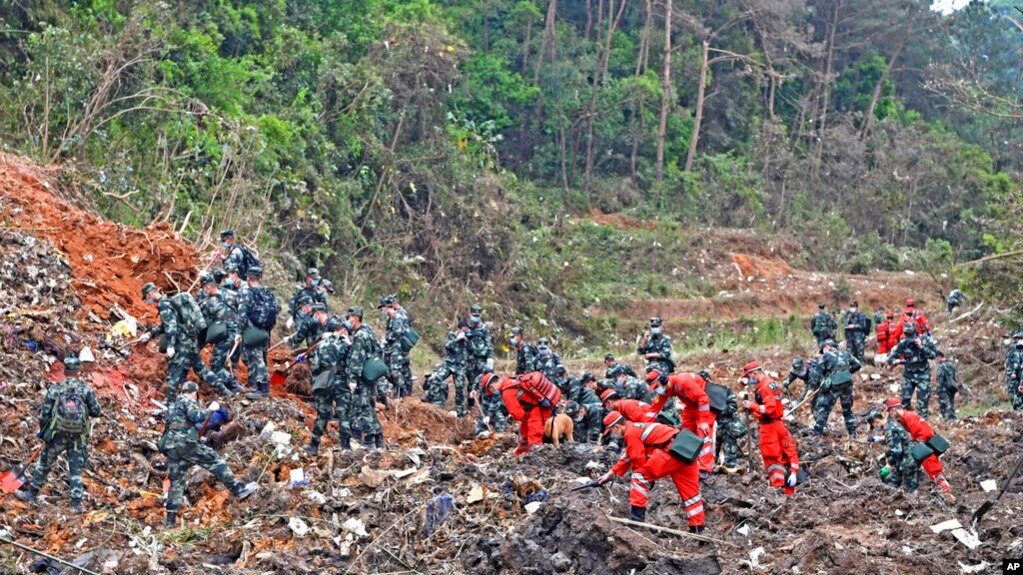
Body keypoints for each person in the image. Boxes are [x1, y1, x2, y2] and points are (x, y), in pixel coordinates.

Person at [159, 382, 258, 527]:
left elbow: (169, 426)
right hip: (186, 444)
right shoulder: (187, 401)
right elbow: (196, 416)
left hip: (172, 447)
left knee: (177, 482)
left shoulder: (172, 406)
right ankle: (238, 489)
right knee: (215, 461)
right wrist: (210, 409)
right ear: (194, 392)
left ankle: (170, 520)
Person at [15, 357, 102, 513]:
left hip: (57, 436)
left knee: (44, 464)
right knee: (75, 470)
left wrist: (45, 433)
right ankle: (76, 505)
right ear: (78, 371)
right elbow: (97, 411)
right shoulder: (85, 389)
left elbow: (44, 414)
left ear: (64, 370)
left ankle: (31, 494)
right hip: (78, 438)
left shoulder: (55, 389)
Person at [596, 413, 705, 534]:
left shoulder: (630, 433)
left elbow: (637, 458)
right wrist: (609, 474)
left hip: (670, 452)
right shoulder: (637, 428)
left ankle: (636, 521)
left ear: (617, 427)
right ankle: (698, 528)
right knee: (691, 494)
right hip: (685, 451)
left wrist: (647, 479)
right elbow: (628, 455)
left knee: (638, 478)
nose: (613, 434)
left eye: (611, 431)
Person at [140, 283, 227, 401]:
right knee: (201, 369)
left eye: (146, 297)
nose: (147, 300)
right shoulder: (169, 301)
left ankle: (169, 403)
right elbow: (165, 325)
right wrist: (150, 334)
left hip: (181, 343)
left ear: (150, 293)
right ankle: (224, 389)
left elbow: (171, 326)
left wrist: (170, 345)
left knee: (174, 371)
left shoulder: (164, 305)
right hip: (190, 341)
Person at [741, 362, 800, 496]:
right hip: (776, 424)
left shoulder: (765, 387)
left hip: (770, 428)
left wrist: (752, 406)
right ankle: (787, 490)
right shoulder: (768, 384)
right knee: (785, 452)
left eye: (749, 376)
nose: (749, 379)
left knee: (772, 457)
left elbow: (769, 409)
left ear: (754, 373)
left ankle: (777, 488)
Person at [645, 368, 714, 477]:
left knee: (703, 433)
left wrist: (704, 420)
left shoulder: (683, 381)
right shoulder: (665, 390)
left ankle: (705, 468)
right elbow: (654, 409)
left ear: (663, 380)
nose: (657, 390)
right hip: (690, 406)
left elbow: (703, 398)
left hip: (704, 405)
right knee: (686, 433)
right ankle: (688, 461)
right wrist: (644, 427)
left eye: (657, 387)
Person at [884, 399, 954, 502]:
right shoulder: (905, 418)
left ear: (894, 410)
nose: (891, 415)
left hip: (926, 448)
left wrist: (913, 445)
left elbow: (924, 434)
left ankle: (948, 496)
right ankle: (944, 493)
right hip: (925, 447)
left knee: (934, 471)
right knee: (932, 472)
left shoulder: (909, 418)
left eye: (890, 411)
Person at [302, 324, 351, 454]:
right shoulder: (345, 345)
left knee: (323, 414)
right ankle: (346, 446)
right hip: (341, 381)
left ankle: (314, 445)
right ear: (343, 330)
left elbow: (316, 365)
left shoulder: (322, 344)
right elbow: (351, 363)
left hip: (325, 381)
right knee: (343, 414)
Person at [345, 306, 385, 448]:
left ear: (355, 318)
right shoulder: (368, 332)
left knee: (362, 408)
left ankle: (368, 441)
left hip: (362, 378)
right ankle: (379, 440)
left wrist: (352, 379)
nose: (347, 321)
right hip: (370, 377)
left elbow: (357, 359)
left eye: (349, 317)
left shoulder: (360, 336)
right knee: (369, 407)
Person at [237, 266, 280, 399]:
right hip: (266, 331)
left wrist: (238, 332)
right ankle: (256, 386)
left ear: (248, 278)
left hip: (253, 331)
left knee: (257, 359)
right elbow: (278, 308)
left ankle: (263, 390)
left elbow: (242, 313)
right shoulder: (268, 293)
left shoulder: (247, 293)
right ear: (260, 278)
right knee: (262, 357)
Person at [198, 275, 245, 394]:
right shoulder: (231, 294)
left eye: (204, 288)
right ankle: (231, 384)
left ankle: (234, 386)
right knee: (231, 362)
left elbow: (201, 322)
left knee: (216, 365)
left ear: (208, 287)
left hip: (226, 336)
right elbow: (243, 308)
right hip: (239, 334)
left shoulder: (207, 304)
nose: (204, 291)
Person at [887, 322, 939, 419]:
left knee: (922, 404)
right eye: (907, 335)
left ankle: (922, 426)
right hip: (909, 375)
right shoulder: (903, 343)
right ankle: (909, 422)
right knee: (904, 402)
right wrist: (897, 361)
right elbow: (890, 358)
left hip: (923, 375)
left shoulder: (925, 340)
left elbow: (933, 355)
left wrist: (921, 347)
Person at [812, 339, 862, 437]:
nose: (823, 352)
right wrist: (846, 373)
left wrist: (813, 387)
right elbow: (858, 364)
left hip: (834, 386)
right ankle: (853, 434)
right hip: (847, 384)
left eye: (823, 349)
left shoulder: (826, 356)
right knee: (847, 410)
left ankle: (817, 434)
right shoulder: (846, 354)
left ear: (826, 346)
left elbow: (817, 372)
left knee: (824, 408)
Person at [501, 374, 557, 456]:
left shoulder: (507, 392)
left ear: (492, 387)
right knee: (525, 432)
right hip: (539, 406)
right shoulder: (513, 380)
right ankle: (520, 454)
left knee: (534, 438)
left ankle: (537, 460)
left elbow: (518, 415)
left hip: (538, 410)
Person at [425, 322, 471, 416]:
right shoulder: (452, 335)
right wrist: (457, 339)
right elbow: (447, 346)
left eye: (467, 329)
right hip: (449, 363)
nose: (466, 331)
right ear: (459, 328)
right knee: (437, 378)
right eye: (464, 329)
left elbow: (472, 350)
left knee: (460, 389)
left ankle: (460, 411)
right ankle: (429, 396)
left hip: (460, 366)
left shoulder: (468, 337)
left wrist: (467, 340)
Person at [866, 410, 918, 492]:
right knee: (890, 481)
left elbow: (897, 452)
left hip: (908, 460)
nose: (876, 428)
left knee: (911, 488)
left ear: (876, 421)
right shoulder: (892, 424)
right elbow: (898, 445)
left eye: (874, 425)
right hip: (903, 459)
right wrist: (886, 454)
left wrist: (889, 465)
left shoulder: (889, 429)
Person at [380, 295, 414, 399]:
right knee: (387, 371)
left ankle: (402, 393)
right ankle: (395, 391)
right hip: (390, 348)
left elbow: (397, 332)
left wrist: (387, 338)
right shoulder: (391, 318)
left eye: (383, 308)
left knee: (395, 371)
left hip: (397, 349)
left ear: (387, 307)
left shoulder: (398, 317)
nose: (382, 311)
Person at [713, 381, 744, 472]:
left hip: (727, 427)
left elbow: (733, 406)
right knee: (712, 451)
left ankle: (730, 467)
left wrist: (718, 411)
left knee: (730, 451)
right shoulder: (703, 392)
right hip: (713, 427)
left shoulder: (725, 390)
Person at [471, 367, 509, 435]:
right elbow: (475, 385)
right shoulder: (483, 379)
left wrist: (488, 416)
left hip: (498, 408)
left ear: (492, 386)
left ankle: (501, 435)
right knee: (480, 423)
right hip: (485, 405)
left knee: (500, 422)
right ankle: (481, 435)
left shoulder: (497, 389)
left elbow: (494, 404)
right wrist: (474, 390)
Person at [466, 304, 494, 392]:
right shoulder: (467, 328)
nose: (475, 317)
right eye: (474, 315)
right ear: (470, 314)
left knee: (482, 380)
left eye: (477, 315)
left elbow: (489, 343)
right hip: (470, 358)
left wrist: (490, 357)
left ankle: (483, 401)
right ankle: (470, 402)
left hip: (481, 358)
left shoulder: (484, 328)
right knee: (471, 381)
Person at [935, 352, 959, 421]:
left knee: (945, 406)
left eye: (936, 358)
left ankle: (949, 421)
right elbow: (954, 377)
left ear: (939, 357)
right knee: (951, 405)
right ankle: (953, 420)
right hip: (952, 388)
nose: (936, 360)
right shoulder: (951, 365)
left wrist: (937, 393)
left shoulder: (941, 367)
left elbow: (940, 381)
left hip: (943, 390)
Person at [1006, 335, 1023, 410]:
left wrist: (1014, 373)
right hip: (1014, 376)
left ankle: (1018, 409)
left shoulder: (1016, 352)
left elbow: (1017, 364)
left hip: (1015, 377)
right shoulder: (1012, 351)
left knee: (1015, 394)